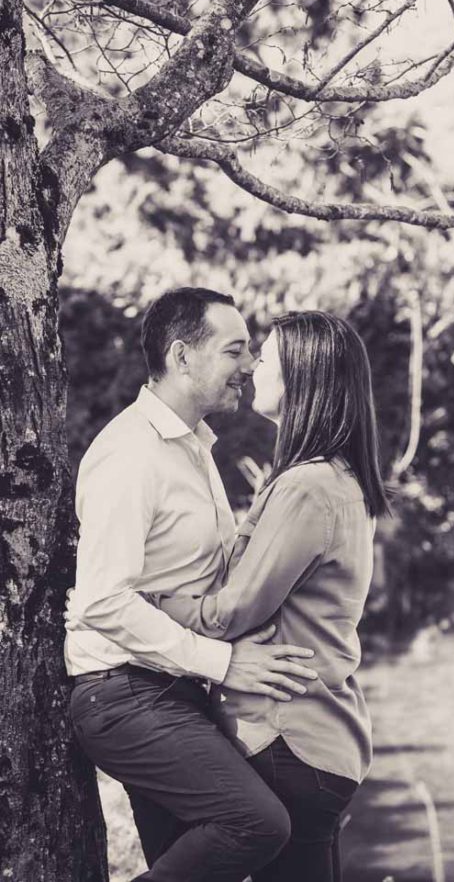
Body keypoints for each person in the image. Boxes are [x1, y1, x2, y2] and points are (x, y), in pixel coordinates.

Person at [65, 288, 319, 882]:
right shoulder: (130, 455)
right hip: (124, 694)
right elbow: (104, 598)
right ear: (182, 357)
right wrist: (222, 662)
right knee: (259, 824)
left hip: (171, 689)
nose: (252, 366)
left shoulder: (194, 447)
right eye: (236, 350)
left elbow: (203, 573)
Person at [151, 310, 391, 882]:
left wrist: (149, 604)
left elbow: (231, 612)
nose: (255, 366)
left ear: (305, 378)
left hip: (290, 739)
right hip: (318, 742)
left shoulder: (307, 487)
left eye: (269, 358)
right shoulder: (336, 478)